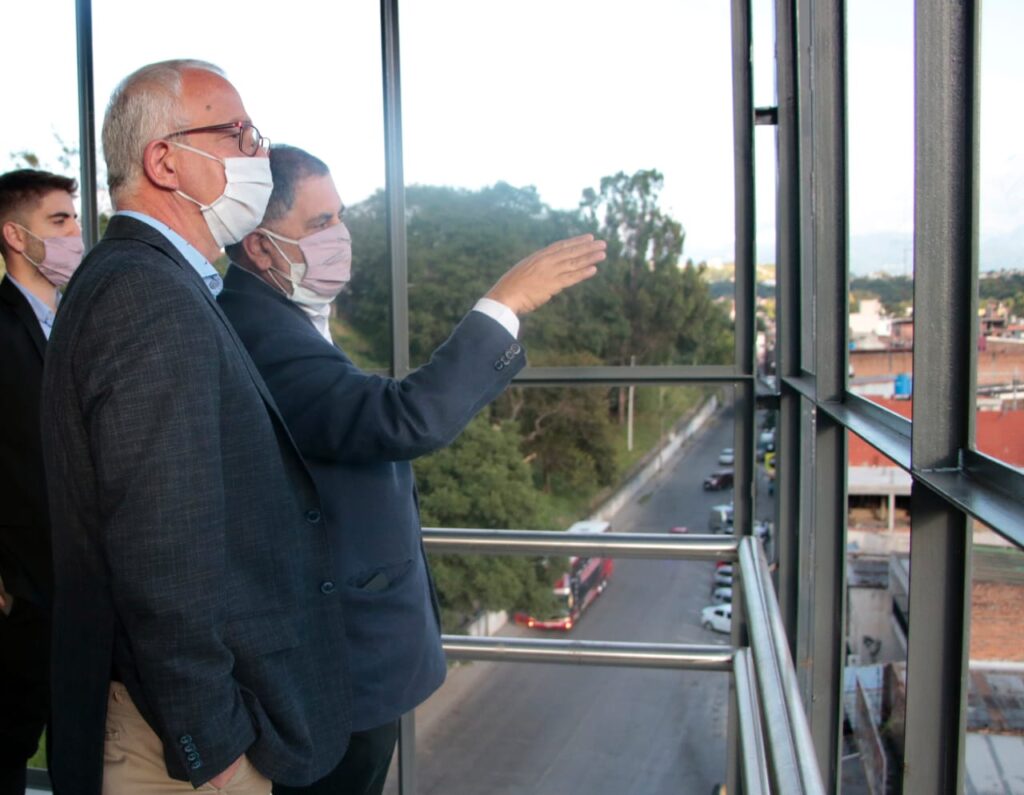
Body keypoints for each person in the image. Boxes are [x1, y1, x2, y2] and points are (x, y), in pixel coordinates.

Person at [218, 144, 606, 795]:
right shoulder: (258, 331)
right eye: (318, 224)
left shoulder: (286, 314)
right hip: (338, 666)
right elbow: (405, 418)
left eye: (338, 216)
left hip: (351, 659)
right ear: (258, 247)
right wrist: (504, 303)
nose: (339, 235)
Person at [40, 62, 351, 795]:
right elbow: (160, 543)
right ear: (164, 160)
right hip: (178, 751)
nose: (258, 154)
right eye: (236, 133)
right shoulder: (146, 295)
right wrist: (211, 745)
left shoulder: (148, 281)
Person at [0, 168, 83, 795]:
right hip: (22, 593)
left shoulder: (81, 322)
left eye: (74, 219)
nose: (75, 232)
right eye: (59, 221)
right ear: (14, 235)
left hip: (86, 584)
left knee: (83, 745)